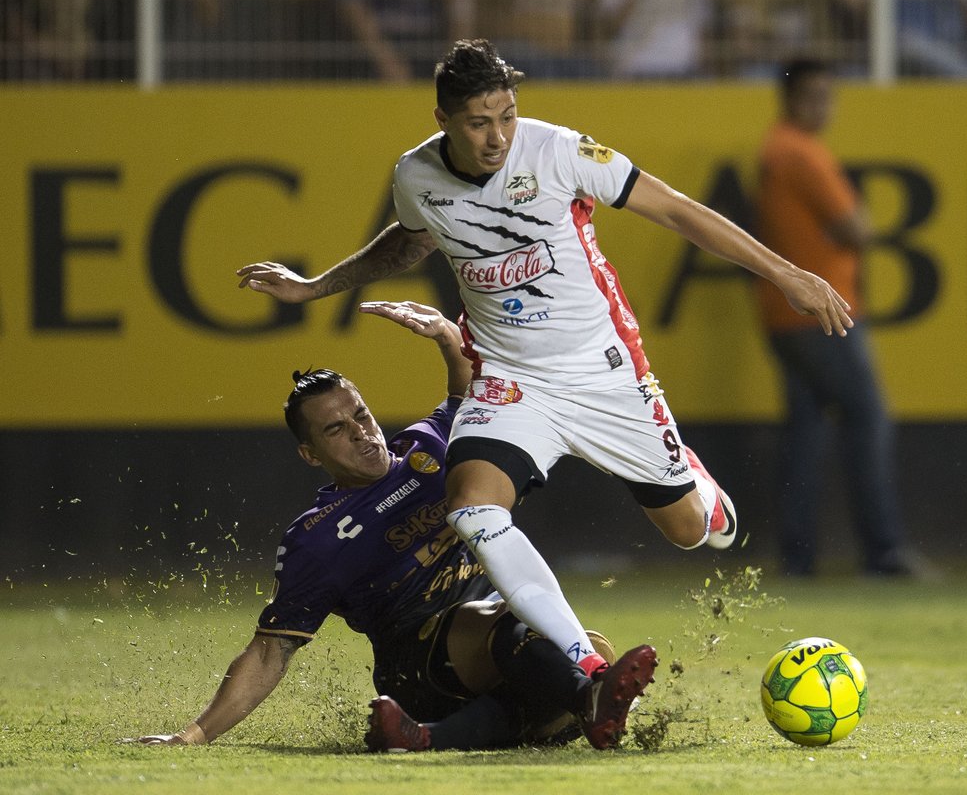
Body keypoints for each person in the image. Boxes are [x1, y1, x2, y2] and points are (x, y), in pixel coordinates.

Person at [235, 39, 853, 678]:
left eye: (506, 115)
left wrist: (787, 275)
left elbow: (675, 209)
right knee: (472, 507)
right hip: (510, 379)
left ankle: (698, 488)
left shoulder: (559, 150)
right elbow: (411, 241)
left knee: (689, 531)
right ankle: (583, 660)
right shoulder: (415, 176)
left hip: (602, 372)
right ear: (443, 118)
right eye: (479, 122)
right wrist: (315, 287)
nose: (498, 135)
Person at [126, 301, 657, 752]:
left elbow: (471, 398)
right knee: (546, 644)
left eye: (360, 414)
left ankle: (433, 736)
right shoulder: (318, 537)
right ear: (311, 455)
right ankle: (574, 700)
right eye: (336, 429)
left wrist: (449, 338)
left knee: (583, 649)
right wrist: (191, 736)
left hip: (496, 646)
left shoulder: (428, 448)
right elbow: (270, 650)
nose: (361, 433)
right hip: (418, 670)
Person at [754, 56, 922, 578]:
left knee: (806, 431)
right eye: (814, 96)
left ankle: (798, 556)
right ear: (791, 99)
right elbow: (858, 228)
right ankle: (884, 550)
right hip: (823, 314)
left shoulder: (775, 150)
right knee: (867, 419)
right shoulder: (800, 152)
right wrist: (844, 232)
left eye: (828, 95)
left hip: (787, 315)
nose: (823, 106)